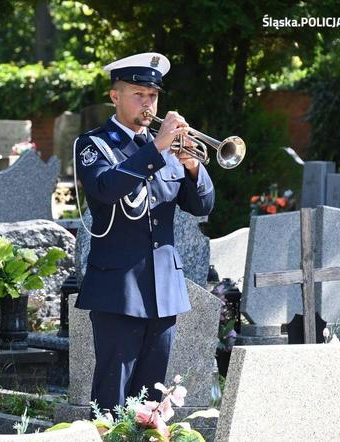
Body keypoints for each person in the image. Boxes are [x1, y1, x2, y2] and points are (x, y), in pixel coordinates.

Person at [73, 52, 215, 411]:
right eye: (138, 94)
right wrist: (156, 148)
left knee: (152, 401)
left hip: (164, 287)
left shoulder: (167, 148)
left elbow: (202, 206)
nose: (147, 103)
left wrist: (194, 168)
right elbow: (105, 188)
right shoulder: (94, 144)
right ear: (115, 96)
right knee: (112, 396)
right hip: (118, 288)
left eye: (152, 96)